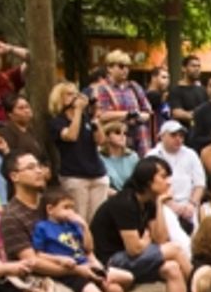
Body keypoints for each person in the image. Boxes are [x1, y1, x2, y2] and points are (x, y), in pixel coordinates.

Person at [0, 152, 127, 292]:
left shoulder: (51, 202)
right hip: (41, 277)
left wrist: (88, 261)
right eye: (31, 168)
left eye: (39, 166)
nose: (39, 171)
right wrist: (76, 270)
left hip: (77, 264)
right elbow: (32, 262)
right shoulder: (11, 216)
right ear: (14, 176)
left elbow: (81, 242)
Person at [90, 156, 192, 292]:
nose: (168, 181)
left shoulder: (150, 201)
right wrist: (145, 239)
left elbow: (160, 239)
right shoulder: (125, 202)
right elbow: (135, 248)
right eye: (163, 176)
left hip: (131, 260)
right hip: (110, 261)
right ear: (147, 179)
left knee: (172, 268)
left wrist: (160, 204)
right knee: (176, 250)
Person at [33, 188, 133, 292]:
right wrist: (59, 259)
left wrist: (84, 226)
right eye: (65, 207)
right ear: (50, 209)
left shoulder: (73, 225)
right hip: (72, 271)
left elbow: (88, 247)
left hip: (87, 265)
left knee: (127, 277)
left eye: (72, 207)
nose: (70, 212)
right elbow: (38, 254)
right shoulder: (43, 227)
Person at [47, 80, 110, 223]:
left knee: (98, 219)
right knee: (79, 219)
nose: (75, 97)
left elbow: (101, 141)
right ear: (59, 98)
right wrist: (78, 111)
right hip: (75, 175)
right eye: (69, 94)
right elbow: (71, 136)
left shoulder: (86, 118)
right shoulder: (57, 122)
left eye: (76, 94)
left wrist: (95, 121)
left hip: (97, 173)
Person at [92, 49, 154, 154]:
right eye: (121, 66)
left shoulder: (134, 87)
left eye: (127, 67)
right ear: (109, 68)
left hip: (138, 136)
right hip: (114, 139)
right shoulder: (102, 88)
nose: (125, 70)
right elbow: (101, 115)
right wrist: (128, 114)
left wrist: (139, 116)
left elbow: (148, 111)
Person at [148, 119, 206, 231]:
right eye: (173, 135)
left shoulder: (191, 154)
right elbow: (150, 186)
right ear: (162, 136)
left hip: (189, 205)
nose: (178, 139)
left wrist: (192, 204)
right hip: (163, 205)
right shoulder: (152, 156)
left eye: (181, 136)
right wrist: (172, 205)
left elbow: (200, 183)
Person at [100, 119, 140, 192]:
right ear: (107, 137)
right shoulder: (99, 158)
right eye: (117, 133)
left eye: (125, 133)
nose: (122, 136)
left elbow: (138, 181)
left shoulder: (133, 156)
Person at [167, 54, 208, 126]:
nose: (197, 69)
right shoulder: (176, 90)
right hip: (184, 133)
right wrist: (198, 116)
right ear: (184, 68)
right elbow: (176, 113)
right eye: (193, 66)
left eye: (198, 66)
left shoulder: (203, 90)